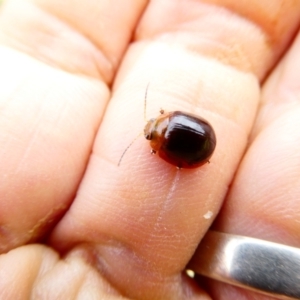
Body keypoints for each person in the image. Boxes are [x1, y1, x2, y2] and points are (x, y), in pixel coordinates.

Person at [0, 0, 299, 299]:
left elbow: (178, 153)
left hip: (203, 144)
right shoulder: (166, 125)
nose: (148, 132)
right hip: (203, 142)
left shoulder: (163, 141)